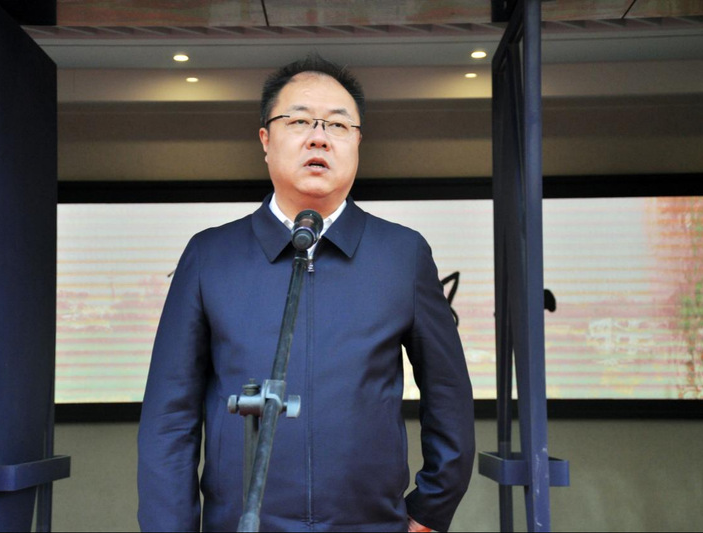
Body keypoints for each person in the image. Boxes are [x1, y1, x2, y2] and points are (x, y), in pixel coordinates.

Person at [137, 54, 475, 532]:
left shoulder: (403, 254)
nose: (319, 137)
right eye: (299, 121)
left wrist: (431, 508)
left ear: (358, 142)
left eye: (338, 124)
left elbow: (448, 393)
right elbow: (170, 416)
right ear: (265, 140)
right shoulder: (209, 256)